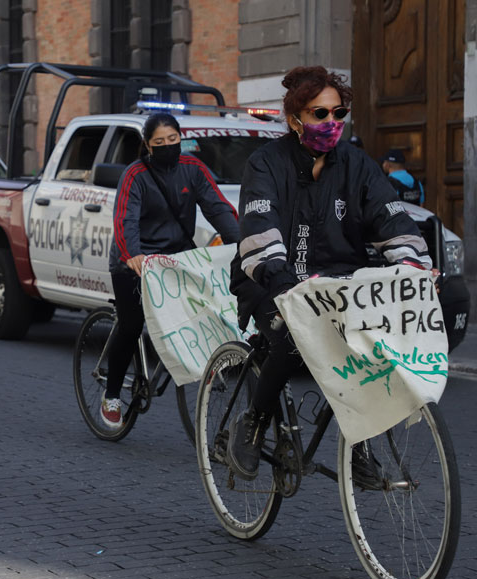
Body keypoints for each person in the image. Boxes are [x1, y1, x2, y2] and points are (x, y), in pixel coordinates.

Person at [227, 66, 432, 486]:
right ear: (295, 119)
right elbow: (259, 219)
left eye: (339, 113)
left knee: (367, 347)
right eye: (320, 114)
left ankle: (361, 443)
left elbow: (389, 216)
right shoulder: (266, 163)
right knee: (291, 337)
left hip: (339, 284)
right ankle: (252, 423)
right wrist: (277, 273)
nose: (332, 123)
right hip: (271, 280)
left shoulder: (357, 164)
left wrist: (414, 265)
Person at [103, 112, 240, 428]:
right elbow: (126, 220)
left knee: (203, 315)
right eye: (159, 143)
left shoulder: (193, 169)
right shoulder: (135, 175)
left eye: (173, 140)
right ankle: (111, 395)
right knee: (131, 325)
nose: (167, 146)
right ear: (148, 146)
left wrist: (241, 243)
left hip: (176, 260)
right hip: (135, 263)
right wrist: (133, 256)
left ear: (182, 139)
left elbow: (218, 207)